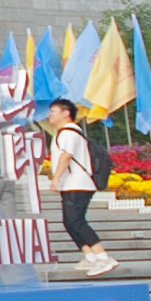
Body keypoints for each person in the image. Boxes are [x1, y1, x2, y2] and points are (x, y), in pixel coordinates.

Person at [43, 97, 114, 273]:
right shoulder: (67, 132)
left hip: (78, 183)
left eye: (53, 111)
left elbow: (66, 156)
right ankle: (90, 256)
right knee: (70, 221)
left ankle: (103, 257)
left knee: (76, 221)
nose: (49, 114)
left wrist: (56, 178)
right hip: (72, 184)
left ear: (66, 113)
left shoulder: (68, 132)